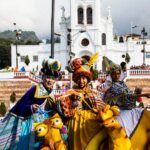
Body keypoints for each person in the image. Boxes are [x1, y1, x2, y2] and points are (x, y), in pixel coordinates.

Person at [0, 60, 61, 150]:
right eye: (48, 77)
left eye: (53, 78)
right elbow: (21, 106)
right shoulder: (34, 89)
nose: (50, 80)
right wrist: (31, 108)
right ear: (43, 77)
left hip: (47, 127)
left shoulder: (52, 94)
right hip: (32, 126)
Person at [56, 54, 106, 150]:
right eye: (79, 78)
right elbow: (60, 102)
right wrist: (71, 101)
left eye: (84, 78)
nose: (81, 81)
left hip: (90, 125)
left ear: (88, 79)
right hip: (75, 125)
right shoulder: (71, 92)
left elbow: (101, 107)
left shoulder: (93, 93)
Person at [103, 65, 150, 149]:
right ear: (111, 75)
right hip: (118, 111)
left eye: (118, 73)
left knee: (144, 113)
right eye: (114, 74)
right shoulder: (111, 87)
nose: (116, 76)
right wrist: (144, 94)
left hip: (129, 108)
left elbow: (129, 96)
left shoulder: (123, 84)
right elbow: (126, 96)